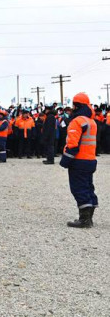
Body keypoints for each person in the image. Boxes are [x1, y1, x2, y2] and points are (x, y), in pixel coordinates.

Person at [61, 93, 98, 228]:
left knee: (79, 188)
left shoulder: (76, 121)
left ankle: (84, 220)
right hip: (90, 160)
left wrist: (65, 161)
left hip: (79, 161)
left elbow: (72, 144)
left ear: (76, 106)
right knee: (88, 187)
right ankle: (89, 217)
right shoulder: (91, 121)